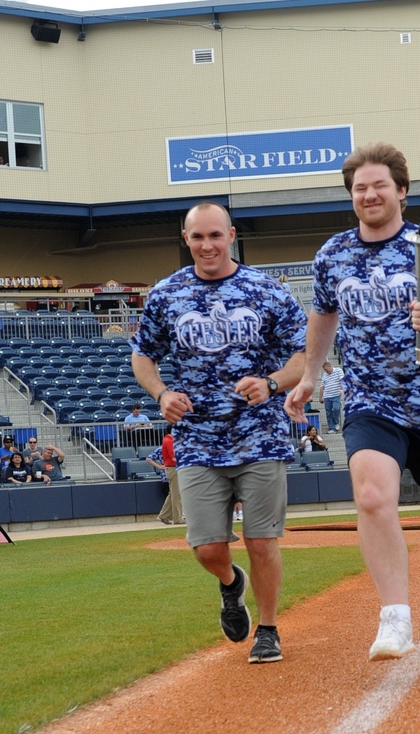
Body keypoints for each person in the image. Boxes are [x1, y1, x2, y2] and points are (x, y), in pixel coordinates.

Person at [283, 141, 420, 660]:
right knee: (373, 497)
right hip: (372, 398)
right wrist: (309, 374)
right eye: (359, 188)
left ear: (402, 190)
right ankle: (395, 617)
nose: (369, 194)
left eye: (378, 185)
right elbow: (324, 316)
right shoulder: (333, 254)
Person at [131, 200, 307, 664]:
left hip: (260, 435)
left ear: (231, 235)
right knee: (207, 547)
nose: (206, 245)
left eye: (215, 235)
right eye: (197, 236)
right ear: (185, 239)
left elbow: (303, 354)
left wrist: (271, 383)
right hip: (197, 439)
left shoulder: (266, 290)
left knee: (261, 539)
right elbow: (142, 357)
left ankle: (267, 629)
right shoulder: (166, 295)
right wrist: (160, 393)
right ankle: (232, 584)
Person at [320, 359, 344, 432]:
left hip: (336, 394)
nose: (326, 371)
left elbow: (342, 380)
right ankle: (332, 428)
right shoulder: (324, 375)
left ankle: (336, 423)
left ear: (330, 366)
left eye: (326, 369)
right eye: (324, 370)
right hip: (327, 396)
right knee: (328, 412)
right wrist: (320, 397)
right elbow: (322, 386)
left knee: (336, 408)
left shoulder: (338, 370)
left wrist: (342, 390)